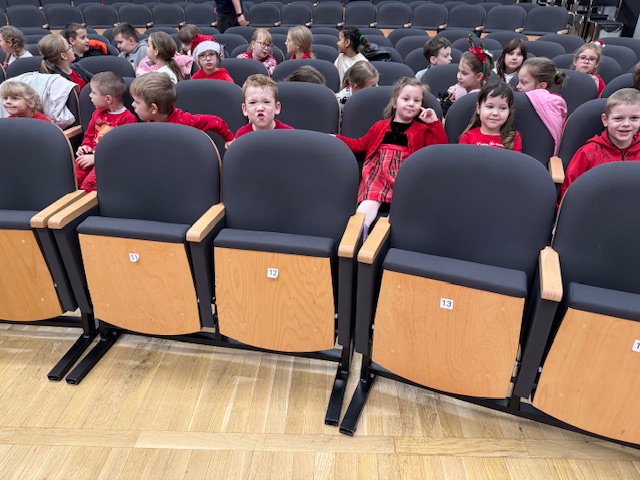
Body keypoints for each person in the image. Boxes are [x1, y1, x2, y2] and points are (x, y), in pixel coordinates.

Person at [336, 77, 448, 232]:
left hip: (405, 175)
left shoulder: (422, 130)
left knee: (400, 208)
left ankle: (384, 235)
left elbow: (438, 150)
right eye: (406, 99)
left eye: (417, 101)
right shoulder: (379, 126)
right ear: (395, 102)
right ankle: (358, 233)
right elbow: (359, 144)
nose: (411, 104)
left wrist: (434, 123)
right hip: (377, 172)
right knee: (369, 202)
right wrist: (335, 138)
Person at [558, 88, 640, 203]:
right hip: (596, 208)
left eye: (634, 118)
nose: (626, 124)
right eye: (618, 118)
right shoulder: (588, 153)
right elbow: (569, 191)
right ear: (605, 120)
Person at [130, 72, 234, 149]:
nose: (132, 104)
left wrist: (229, 139)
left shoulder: (184, 122)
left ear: (153, 108)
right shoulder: (150, 121)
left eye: (137, 102)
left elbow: (215, 121)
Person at [74, 72, 137, 193]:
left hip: (106, 162)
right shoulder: (97, 113)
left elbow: (122, 150)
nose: (89, 96)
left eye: (93, 92)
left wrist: (96, 158)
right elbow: (89, 135)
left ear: (108, 99)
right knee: (71, 181)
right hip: (89, 157)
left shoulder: (128, 119)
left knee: (88, 187)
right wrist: (85, 146)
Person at [516, 57, 567, 155]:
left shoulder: (553, 105)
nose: (518, 86)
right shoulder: (518, 100)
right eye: (518, 81)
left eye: (524, 83)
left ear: (541, 86)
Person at [459, 82, 522, 151]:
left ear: (509, 111)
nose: (495, 113)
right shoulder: (467, 137)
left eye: (503, 108)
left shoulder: (513, 138)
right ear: (478, 108)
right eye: (490, 107)